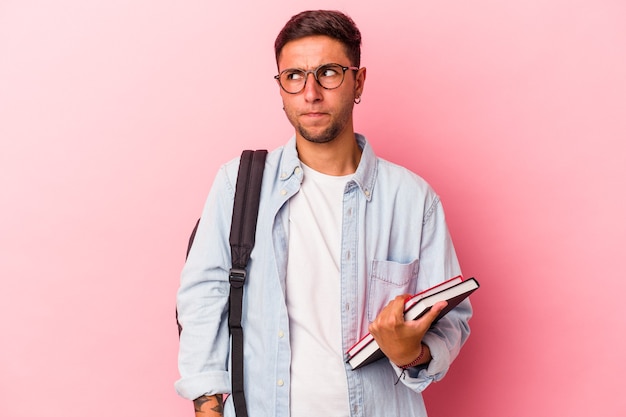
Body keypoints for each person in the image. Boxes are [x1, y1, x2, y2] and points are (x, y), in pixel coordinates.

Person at [176, 9, 472, 417]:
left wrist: (411, 353)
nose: (310, 93)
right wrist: (207, 406)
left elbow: (452, 321)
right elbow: (204, 298)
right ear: (280, 87)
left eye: (328, 72)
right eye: (294, 76)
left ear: (358, 82)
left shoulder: (412, 199)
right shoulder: (239, 185)